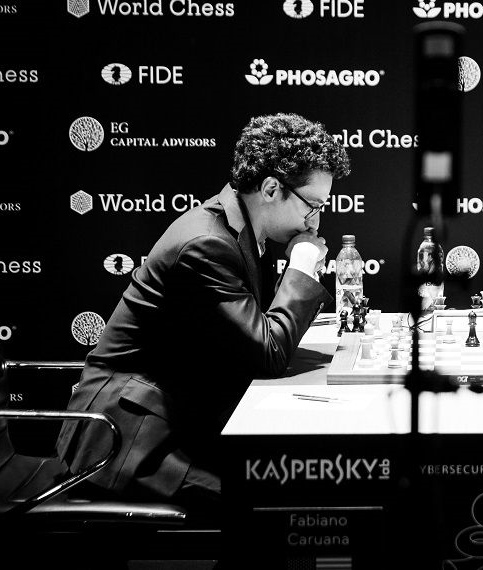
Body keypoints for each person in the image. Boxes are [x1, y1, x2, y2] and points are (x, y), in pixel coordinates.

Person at [56, 113, 351, 508]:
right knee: (272, 498)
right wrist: (301, 266)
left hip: (179, 415)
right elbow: (268, 352)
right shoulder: (207, 244)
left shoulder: (245, 233)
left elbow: (255, 339)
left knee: (291, 475)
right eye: (312, 206)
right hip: (128, 437)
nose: (316, 220)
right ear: (271, 188)